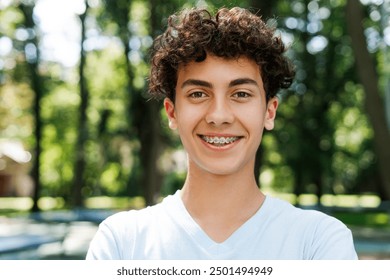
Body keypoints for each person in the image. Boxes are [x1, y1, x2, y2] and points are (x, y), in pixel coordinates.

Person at [86, 6, 358, 260]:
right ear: (172, 113)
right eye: (198, 94)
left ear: (269, 112)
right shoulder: (121, 243)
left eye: (240, 94)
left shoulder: (318, 243)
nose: (219, 115)